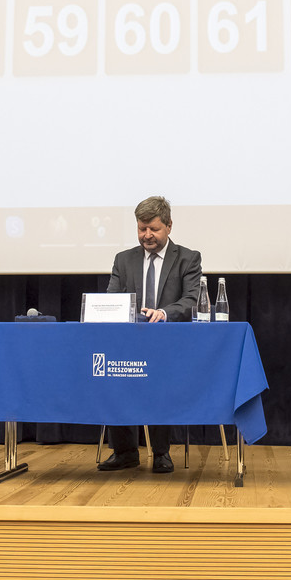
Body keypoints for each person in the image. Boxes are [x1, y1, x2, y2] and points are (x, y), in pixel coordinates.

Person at [98, 196, 202, 474]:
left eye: (153, 229)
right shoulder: (123, 259)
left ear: (169, 226)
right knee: (114, 375)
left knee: (160, 377)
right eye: (141, 229)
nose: (147, 235)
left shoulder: (188, 258)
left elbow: (192, 299)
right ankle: (125, 453)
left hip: (169, 344)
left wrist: (164, 313)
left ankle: (161, 453)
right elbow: (111, 299)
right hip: (128, 342)